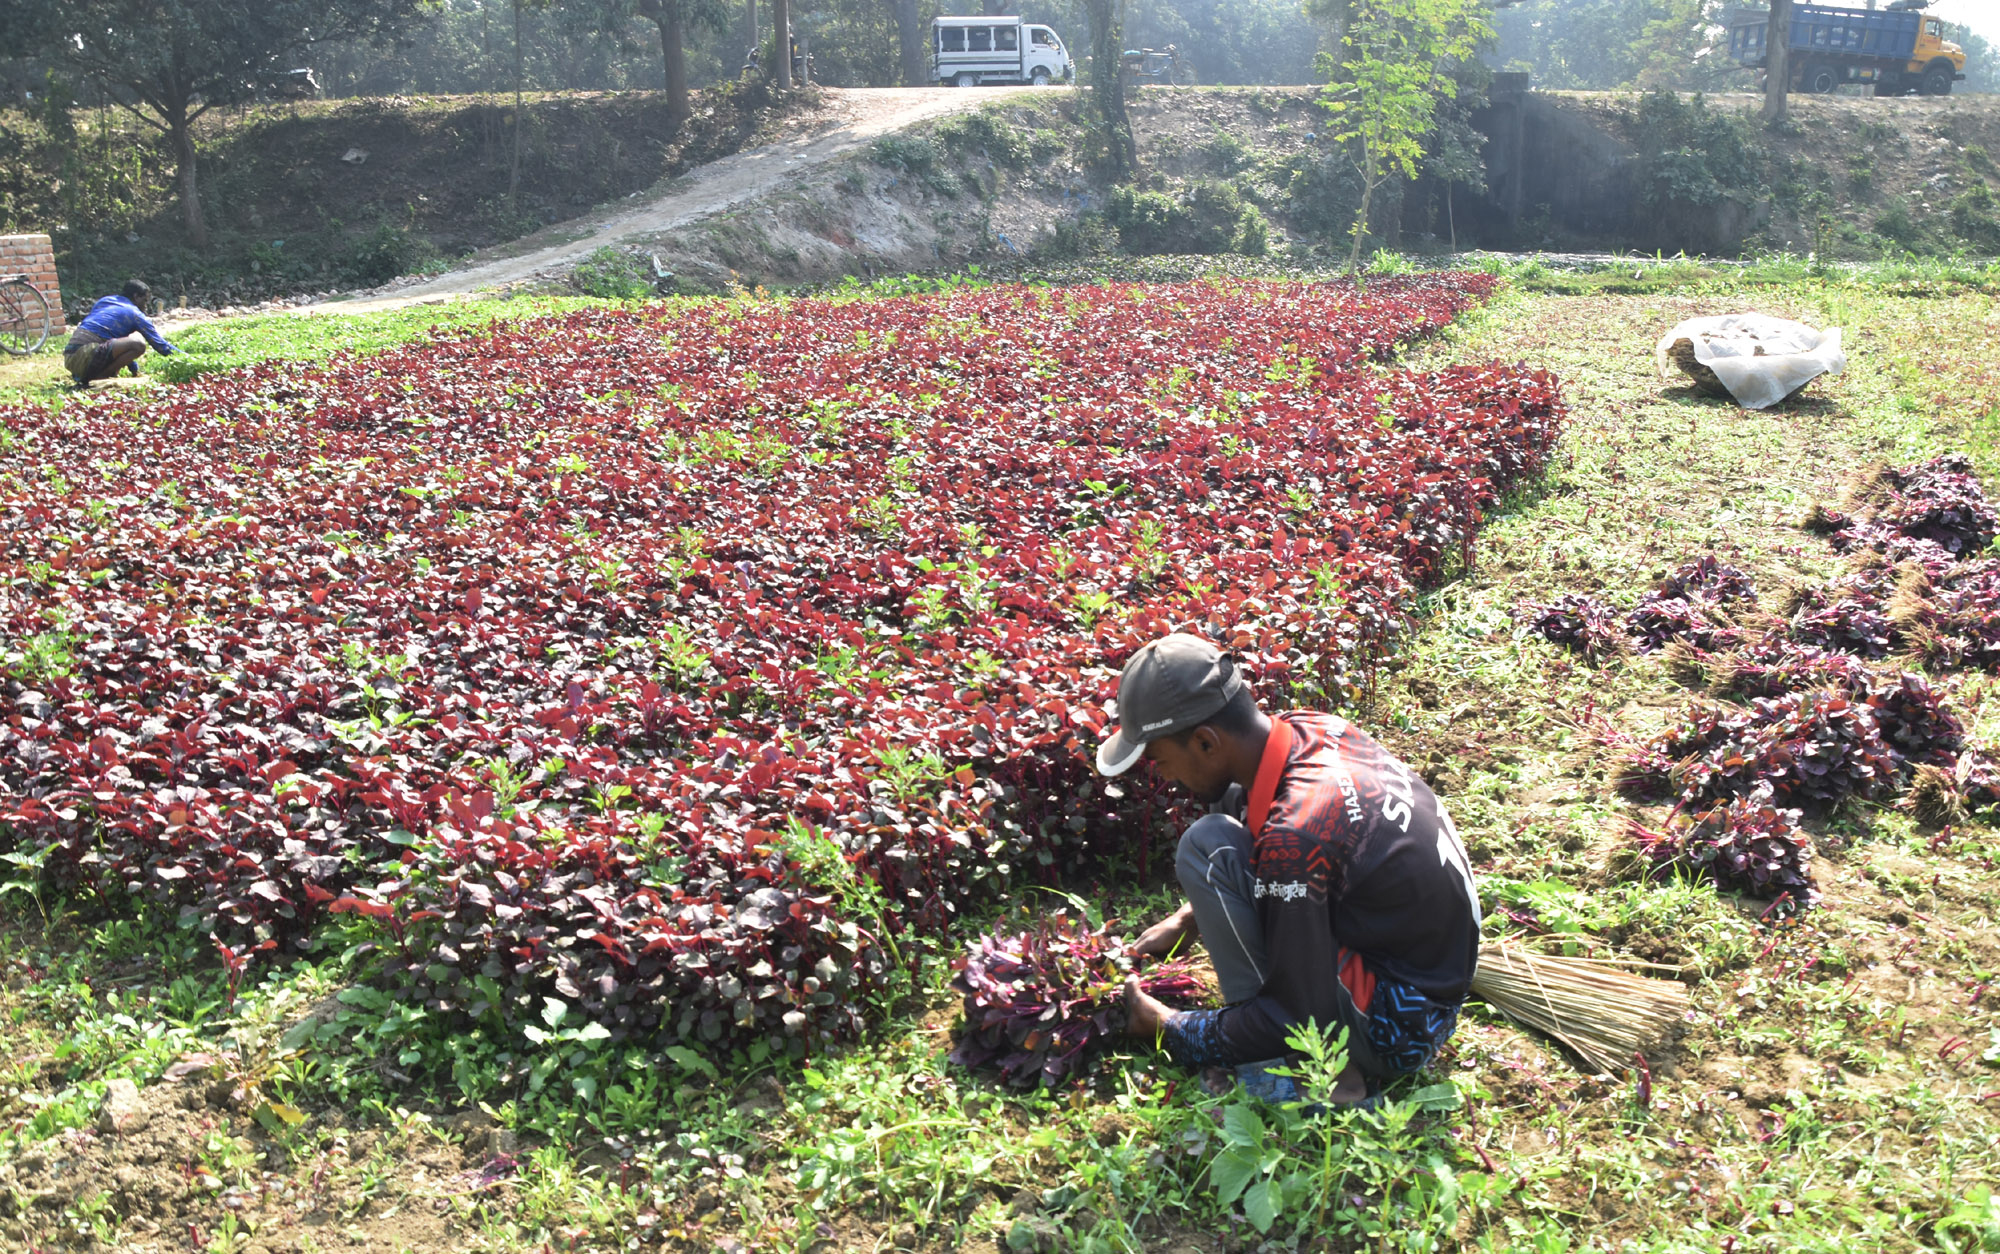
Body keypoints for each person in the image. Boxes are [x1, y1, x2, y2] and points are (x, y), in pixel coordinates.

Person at [1098, 634, 1481, 1106]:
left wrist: (1170, 1027)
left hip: (1398, 1029)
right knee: (1228, 813)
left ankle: (1314, 1075)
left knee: (1208, 848)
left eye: (1160, 760)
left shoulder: (1296, 836)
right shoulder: (1312, 730)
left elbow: (1290, 1015)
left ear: (1204, 741)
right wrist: (1189, 919)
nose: (1164, 777)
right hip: (1425, 980)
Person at [64, 279, 178, 389]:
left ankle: (92, 375)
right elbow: (161, 346)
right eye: (144, 301)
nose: (146, 306)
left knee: (128, 340)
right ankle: (101, 377)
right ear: (136, 296)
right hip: (86, 355)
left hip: (70, 356)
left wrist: (134, 369)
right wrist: (186, 358)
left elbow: (117, 340)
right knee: (138, 344)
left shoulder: (105, 301)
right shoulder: (134, 313)